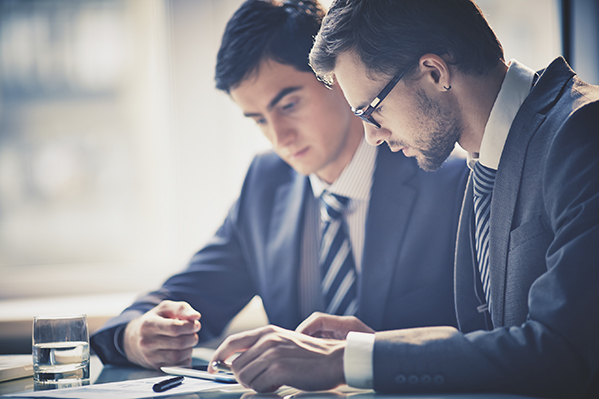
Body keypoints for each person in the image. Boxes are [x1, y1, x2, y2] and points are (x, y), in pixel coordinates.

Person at [208, 0, 599, 397]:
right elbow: (496, 344)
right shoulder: (494, 156)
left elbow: (562, 350)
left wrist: (343, 362)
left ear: (434, 73)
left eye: (370, 110)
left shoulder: (583, 133)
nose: (372, 136)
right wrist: (373, 348)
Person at [90, 0, 468, 371]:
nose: (279, 136)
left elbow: (490, 342)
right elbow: (184, 295)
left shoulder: (446, 176)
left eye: (288, 105)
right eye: (259, 120)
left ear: (337, 77)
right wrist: (136, 334)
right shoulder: (266, 184)